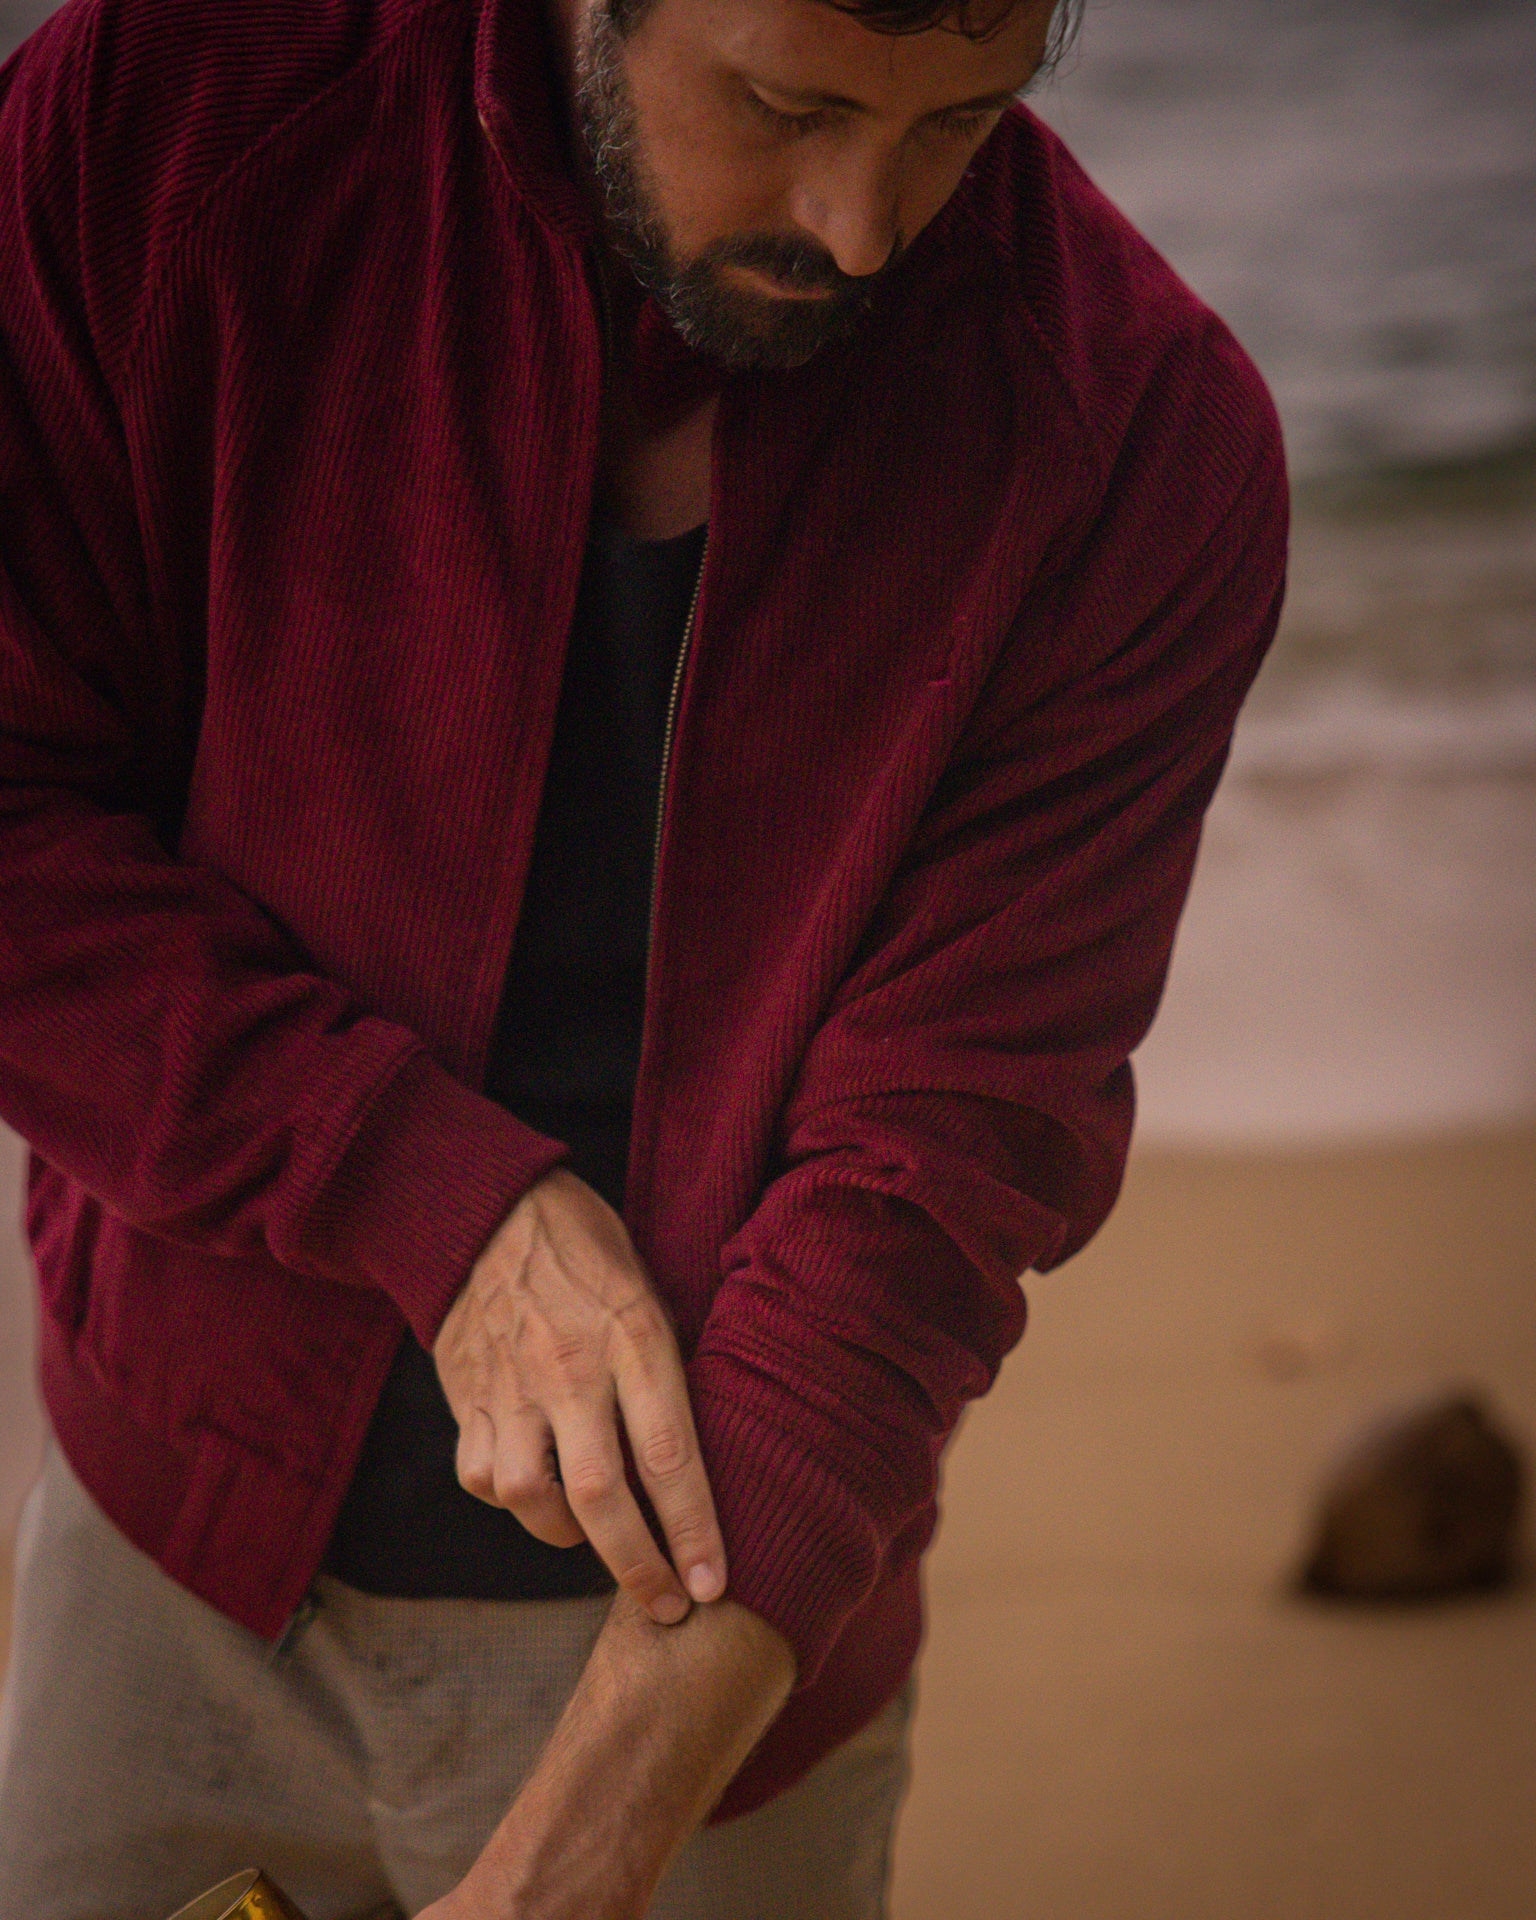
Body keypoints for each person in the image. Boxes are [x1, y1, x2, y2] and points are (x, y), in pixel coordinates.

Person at [0, 0, 1287, 1907]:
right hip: (164, 1558)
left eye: (961, 126)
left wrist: (575, 1862)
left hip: (715, 1680)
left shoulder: (1141, 444)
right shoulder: (163, 117)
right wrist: (432, 1195)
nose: (861, 226)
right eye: (787, 107)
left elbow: (928, 1187)